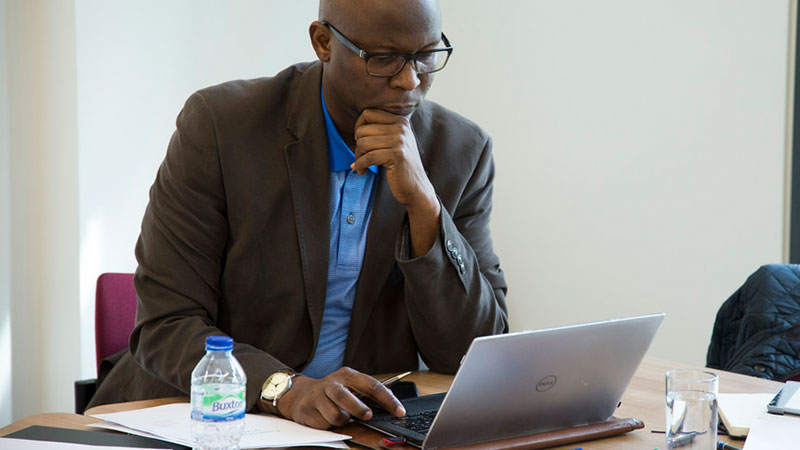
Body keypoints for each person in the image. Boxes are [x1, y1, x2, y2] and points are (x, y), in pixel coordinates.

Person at [89, 0, 508, 430]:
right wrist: (284, 388)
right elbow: (166, 323)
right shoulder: (221, 127)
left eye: (425, 56)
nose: (409, 81)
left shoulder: (461, 151)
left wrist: (425, 208)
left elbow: (473, 356)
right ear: (323, 42)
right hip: (203, 419)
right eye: (383, 59)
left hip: (354, 427)